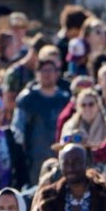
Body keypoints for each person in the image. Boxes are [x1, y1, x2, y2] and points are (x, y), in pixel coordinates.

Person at [15, 50, 70, 185]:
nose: (47, 74)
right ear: (37, 73)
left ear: (57, 73)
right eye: (43, 70)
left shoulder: (64, 99)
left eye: (50, 70)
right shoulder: (27, 99)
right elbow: (18, 130)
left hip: (59, 156)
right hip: (34, 159)